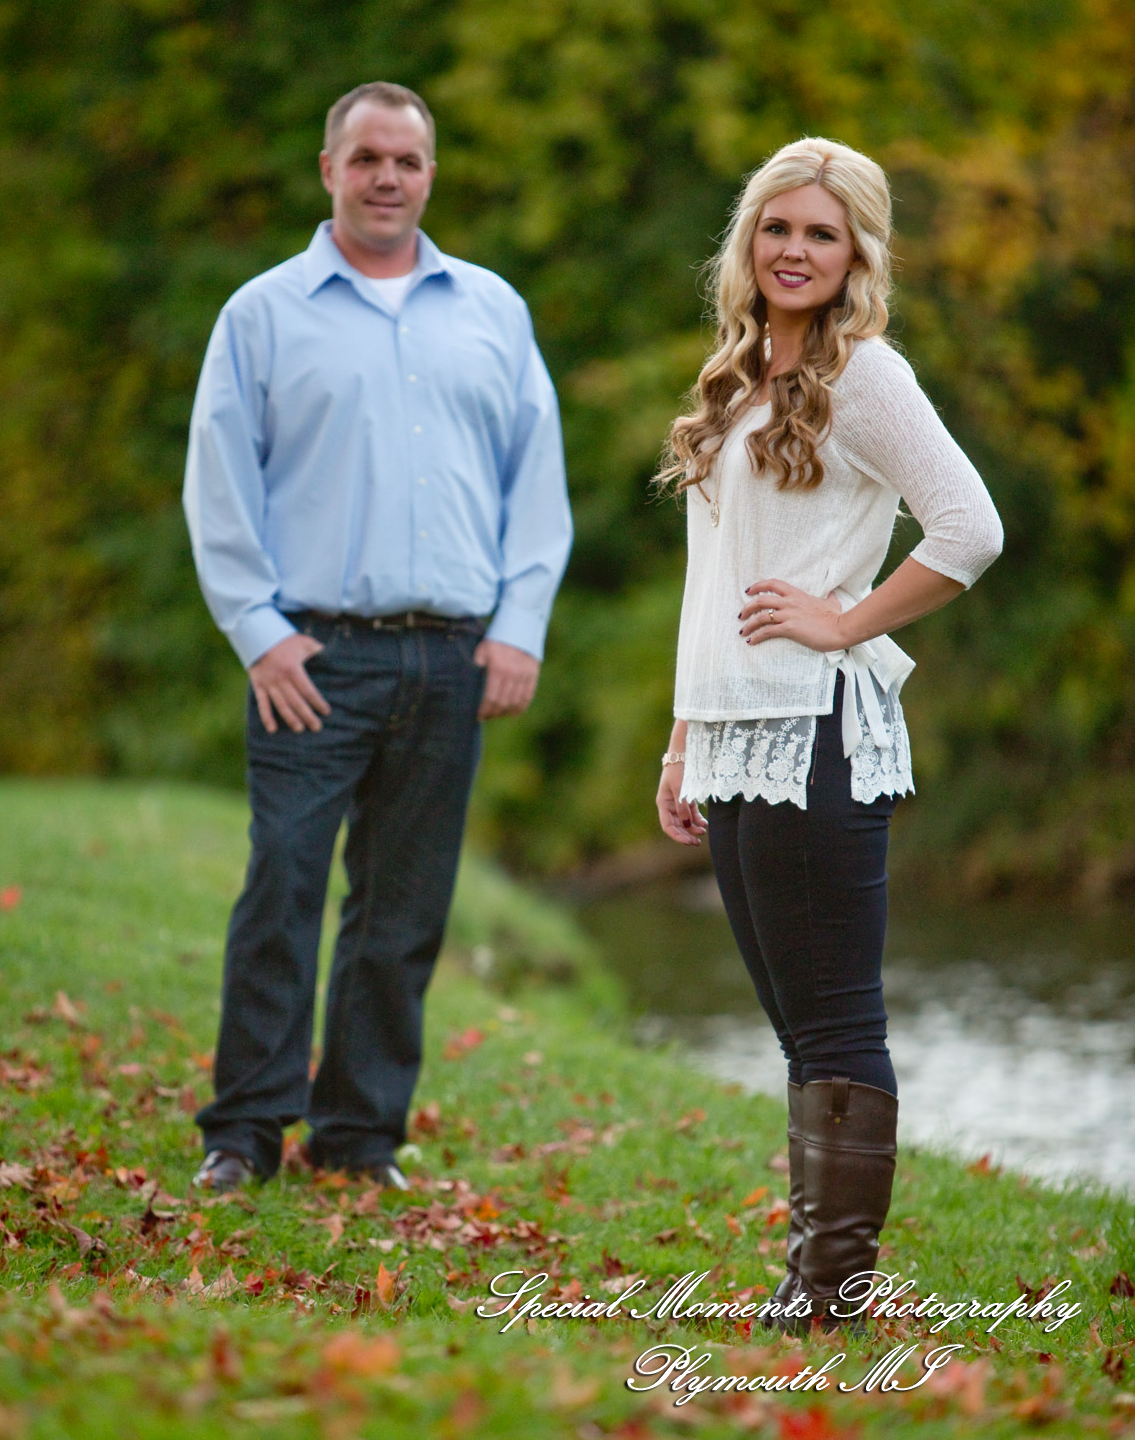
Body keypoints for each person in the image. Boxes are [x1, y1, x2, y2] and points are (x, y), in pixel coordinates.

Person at [183, 81, 572, 1192]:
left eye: (406, 160)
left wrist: (519, 629)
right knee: (283, 892)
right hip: (308, 657)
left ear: (431, 175)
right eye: (366, 158)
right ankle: (245, 1135)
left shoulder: (493, 311)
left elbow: (532, 489)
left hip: (452, 658)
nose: (387, 177)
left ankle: (359, 1140)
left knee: (400, 914)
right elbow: (220, 485)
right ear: (329, 171)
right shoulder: (263, 313)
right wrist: (258, 633)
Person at [654, 137, 1002, 1328]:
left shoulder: (866, 376)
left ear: (855, 250)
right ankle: (818, 1285)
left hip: (814, 730)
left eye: (820, 231)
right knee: (796, 1022)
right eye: (775, 227)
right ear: (746, 243)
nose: (793, 249)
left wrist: (847, 619)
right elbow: (714, 579)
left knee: (835, 1017)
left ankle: (826, 1294)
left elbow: (968, 527)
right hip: (737, 733)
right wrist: (680, 739)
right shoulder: (740, 372)